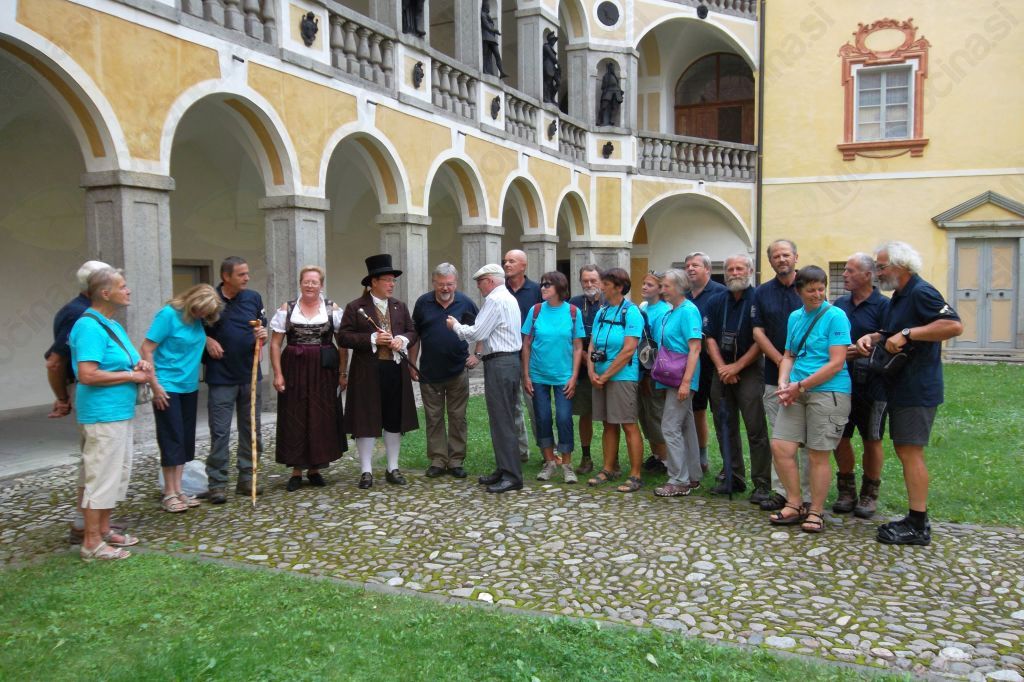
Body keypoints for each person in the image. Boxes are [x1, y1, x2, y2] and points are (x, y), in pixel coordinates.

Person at [856, 242, 962, 546]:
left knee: (910, 452)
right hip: (900, 386)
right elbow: (893, 332)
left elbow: (953, 325)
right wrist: (873, 336)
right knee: (905, 450)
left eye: (881, 267)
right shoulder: (899, 297)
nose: (877, 273)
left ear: (901, 266)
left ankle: (918, 524)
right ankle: (915, 519)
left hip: (918, 387)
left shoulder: (921, 292)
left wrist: (908, 334)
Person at [69, 267, 151, 561]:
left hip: (117, 411)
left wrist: (139, 365)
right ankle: (91, 542)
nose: (128, 290)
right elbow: (87, 374)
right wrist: (132, 376)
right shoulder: (89, 326)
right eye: (123, 286)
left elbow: (124, 361)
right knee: (100, 476)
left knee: (114, 474)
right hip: (102, 414)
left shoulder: (110, 324)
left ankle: (103, 529)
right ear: (105, 293)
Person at [768, 266, 852, 534]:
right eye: (811, 290)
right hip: (795, 390)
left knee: (817, 454)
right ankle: (794, 503)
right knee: (781, 447)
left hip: (829, 392)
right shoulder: (795, 317)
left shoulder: (836, 316)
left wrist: (800, 386)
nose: (817, 294)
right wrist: (784, 382)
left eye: (821, 289)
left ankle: (815, 510)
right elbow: (789, 355)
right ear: (799, 291)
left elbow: (837, 362)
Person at [338, 254, 419, 489]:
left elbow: (413, 332)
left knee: (394, 419)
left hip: (395, 370)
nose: (392, 284)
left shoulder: (399, 306)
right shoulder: (356, 307)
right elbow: (343, 337)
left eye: (393, 280)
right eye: (387, 280)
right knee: (366, 420)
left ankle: (393, 467)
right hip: (366, 373)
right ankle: (366, 471)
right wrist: (372, 338)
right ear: (373, 282)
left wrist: (402, 339)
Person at [141, 284, 224, 512]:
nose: (202, 315)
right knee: (171, 437)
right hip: (167, 385)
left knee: (185, 440)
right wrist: (154, 385)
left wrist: (208, 339)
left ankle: (179, 490)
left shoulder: (198, 320)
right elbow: (146, 348)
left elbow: (196, 339)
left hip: (189, 386)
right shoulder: (168, 315)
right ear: (192, 301)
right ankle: (169, 493)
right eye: (200, 311)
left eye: (206, 313)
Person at [447, 264, 524, 493]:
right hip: (507, 361)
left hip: (500, 363)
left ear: (490, 281)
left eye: (480, 282)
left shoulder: (495, 300)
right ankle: (504, 468)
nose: (478, 287)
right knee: (503, 418)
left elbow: (477, 333)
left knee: (502, 420)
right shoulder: (508, 298)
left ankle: (511, 475)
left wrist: (455, 326)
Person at [269, 266, 347, 491]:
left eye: (314, 282)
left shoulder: (332, 309)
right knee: (294, 415)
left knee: (321, 416)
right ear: (300, 283)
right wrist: (278, 374)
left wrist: (343, 372)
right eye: (306, 281)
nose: (310, 285)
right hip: (294, 368)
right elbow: (275, 344)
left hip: (324, 370)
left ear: (321, 285)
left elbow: (343, 345)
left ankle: (315, 468)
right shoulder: (287, 308)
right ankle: (296, 470)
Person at [202, 256, 268, 504]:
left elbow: (261, 325)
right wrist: (206, 340)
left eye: (247, 273)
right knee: (220, 432)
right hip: (221, 376)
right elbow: (193, 330)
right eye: (241, 274)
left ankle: (247, 478)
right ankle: (217, 483)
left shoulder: (253, 298)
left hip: (249, 373)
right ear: (225, 277)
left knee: (251, 429)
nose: (247, 278)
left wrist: (262, 334)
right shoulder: (210, 300)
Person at [705, 255, 771, 501]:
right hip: (721, 369)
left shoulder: (759, 299)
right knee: (725, 426)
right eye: (730, 269)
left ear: (750, 271)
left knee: (755, 429)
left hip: (750, 369)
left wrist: (737, 367)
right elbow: (709, 337)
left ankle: (762, 483)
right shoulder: (716, 300)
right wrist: (723, 368)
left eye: (739, 268)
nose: (734, 273)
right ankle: (733, 477)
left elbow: (761, 339)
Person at [832, 253, 890, 517]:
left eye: (850, 270)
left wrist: (861, 349)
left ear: (868, 275)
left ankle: (869, 493)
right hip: (841, 382)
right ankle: (846, 490)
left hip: (874, 385)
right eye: (844, 270)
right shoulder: (839, 305)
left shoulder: (884, 306)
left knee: (871, 438)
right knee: (839, 436)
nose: (844, 275)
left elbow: (890, 342)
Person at [410, 263, 481, 478]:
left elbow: (481, 329)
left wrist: (477, 354)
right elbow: (415, 336)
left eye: (449, 284)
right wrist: (412, 363)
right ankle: (438, 460)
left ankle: (456, 460)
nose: (445, 288)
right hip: (429, 371)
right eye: (441, 284)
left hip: (458, 370)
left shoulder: (465, 303)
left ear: (456, 283)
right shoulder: (423, 303)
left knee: (458, 417)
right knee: (433, 418)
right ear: (433, 283)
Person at [752, 239, 805, 510]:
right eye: (776, 256)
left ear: (796, 257)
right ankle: (781, 491)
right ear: (770, 261)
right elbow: (758, 331)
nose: (781, 259)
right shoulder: (762, 292)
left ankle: (806, 494)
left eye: (786, 255)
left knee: (806, 440)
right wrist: (779, 359)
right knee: (781, 437)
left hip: (807, 376)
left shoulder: (809, 287)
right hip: (774, 376)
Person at [584, 268, 645, 493]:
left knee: (628, 424)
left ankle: (636, 475)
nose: (601, 287)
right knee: (608, 423)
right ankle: (609, 468)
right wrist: (591, 371)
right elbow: (592, 344)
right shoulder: (602, 312)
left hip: (622, 377)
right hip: (600, 376)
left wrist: (606, 375)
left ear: (619, 287)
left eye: (605, 284)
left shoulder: (632, 313)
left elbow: (629, 349)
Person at [522, 271, 585, 484]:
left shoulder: (573, 312)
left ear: (559, 287)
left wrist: (574, 376)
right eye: (542, 284)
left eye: (547, 284)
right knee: (542, 417)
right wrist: (526, 375)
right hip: (538, 375)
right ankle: (549, 462)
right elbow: (526, 344)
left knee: (564, 418)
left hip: (564, 376)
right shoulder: (536, 311)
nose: (542, 288)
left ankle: (566, 464)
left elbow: (578, 347)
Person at [652, 269, 703, 498]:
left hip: (681, 378)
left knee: (670, 427)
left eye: (666, 286)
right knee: (685, 426)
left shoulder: (688, 311)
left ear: (680, 287)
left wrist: (686, 382)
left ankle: (678, 480)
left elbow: (695, 348)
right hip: (672, 377)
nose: (662, 290)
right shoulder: (671, 312)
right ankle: (692, 475)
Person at [45, 260, 111, 419]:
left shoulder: (87, 311)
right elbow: (55, 363)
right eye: (114, 283)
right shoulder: (80, 314)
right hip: (90, 392)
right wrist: (62, 399)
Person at [684, 251, 727, 474]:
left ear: (708, 269)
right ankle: (701, 457)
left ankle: (729, 464)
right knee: (697, 409)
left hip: (717, 362)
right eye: (688, 266)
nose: (690, 269)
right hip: (694, 362)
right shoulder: (684, 296)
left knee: (721, 413)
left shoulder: (720, 293)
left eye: (696, 265)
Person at [504, 249, 542, 462]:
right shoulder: (500, 290)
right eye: (505, 261)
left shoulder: (536, 290)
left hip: (532, 357)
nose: (507, 264)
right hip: (507, 355)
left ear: (523, 266)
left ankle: (548, 451)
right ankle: (520, 451)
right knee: (513, 406)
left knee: (536, 405)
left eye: (512, 261)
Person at [569, 265, 602, 474]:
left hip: (607, 368)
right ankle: (586, 457)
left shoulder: (609, 303)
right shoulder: (573, 304)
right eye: (585, 281)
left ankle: (613, 460)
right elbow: (569, 335)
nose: (589, 284)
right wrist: (584, 359)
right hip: (580, 368)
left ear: (601, 281)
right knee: (585, 413)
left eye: (593, 280)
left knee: (611, 417)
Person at [637, 271, 670, 474]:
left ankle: (666, 460)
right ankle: (656, 455)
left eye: (649, 285)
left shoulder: (664, 311)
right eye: (643, 283)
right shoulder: (642, 307)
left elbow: (657, 345)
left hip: (654, 371)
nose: (644, 287)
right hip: (641, 369)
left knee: (656, 414)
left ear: (660, 289)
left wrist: (650, 375)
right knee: (645, 414)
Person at [481, 0, 508, 78]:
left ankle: (501, 72)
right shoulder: (483, 15)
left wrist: (493, 31)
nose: (488, 7)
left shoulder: (487, 15)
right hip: (486, 37)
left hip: (492, 38)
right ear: (485, 6)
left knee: (497, 55)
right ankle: (485, 70)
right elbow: (486, 26)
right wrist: (494, 30)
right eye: (487, 6)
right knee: (485, 55)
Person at [598, 62, 623, 126]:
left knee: (615, 107)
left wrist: (620, 91)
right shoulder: (606, 76)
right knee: (603, 106)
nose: (612, 69)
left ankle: (612, 120)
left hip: (616, 92)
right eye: (610, 68)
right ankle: (600, 120)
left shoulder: (615, 77)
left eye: (612, 68)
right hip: (608, 91)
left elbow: (617, 85)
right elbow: (603, 87)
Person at [542, 32, 560, 105]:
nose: (554, 42)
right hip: (548, 66)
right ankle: (546, 98)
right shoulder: (546, 46)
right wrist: (556, 61)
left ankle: (552, 97)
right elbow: (553, 57)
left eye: (555, 40)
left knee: (558, 82)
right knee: (547, 83)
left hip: (552, 68)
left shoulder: (551, 47)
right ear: (550, 40)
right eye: (553, 40)